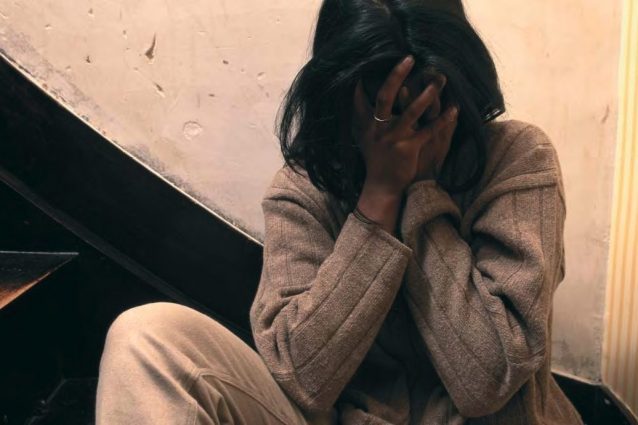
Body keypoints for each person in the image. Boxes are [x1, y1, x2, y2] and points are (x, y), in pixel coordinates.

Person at [95, 0, 585, 424]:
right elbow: (302, 378)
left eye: (427, 101)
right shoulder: (304, 187)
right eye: (386, 105)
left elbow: (488, 381)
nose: (408, 126)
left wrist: (421, 194)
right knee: (146, 339)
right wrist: (379, 198)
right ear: (342, 97)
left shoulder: (517, 157)